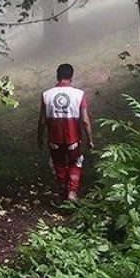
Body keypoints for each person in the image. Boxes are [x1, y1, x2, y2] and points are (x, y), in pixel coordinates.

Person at [38, 63, 94, 201]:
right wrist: (90, 139)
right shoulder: (79, 95)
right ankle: (72, 192)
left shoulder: (46, 95)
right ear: (71, 77)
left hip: (54, 139)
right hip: (73, 139)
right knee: (75, 162)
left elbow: (42, 121)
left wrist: (39, 138)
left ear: (57, 76)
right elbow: (85, 120)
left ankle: (62, 190)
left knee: (58, 163)